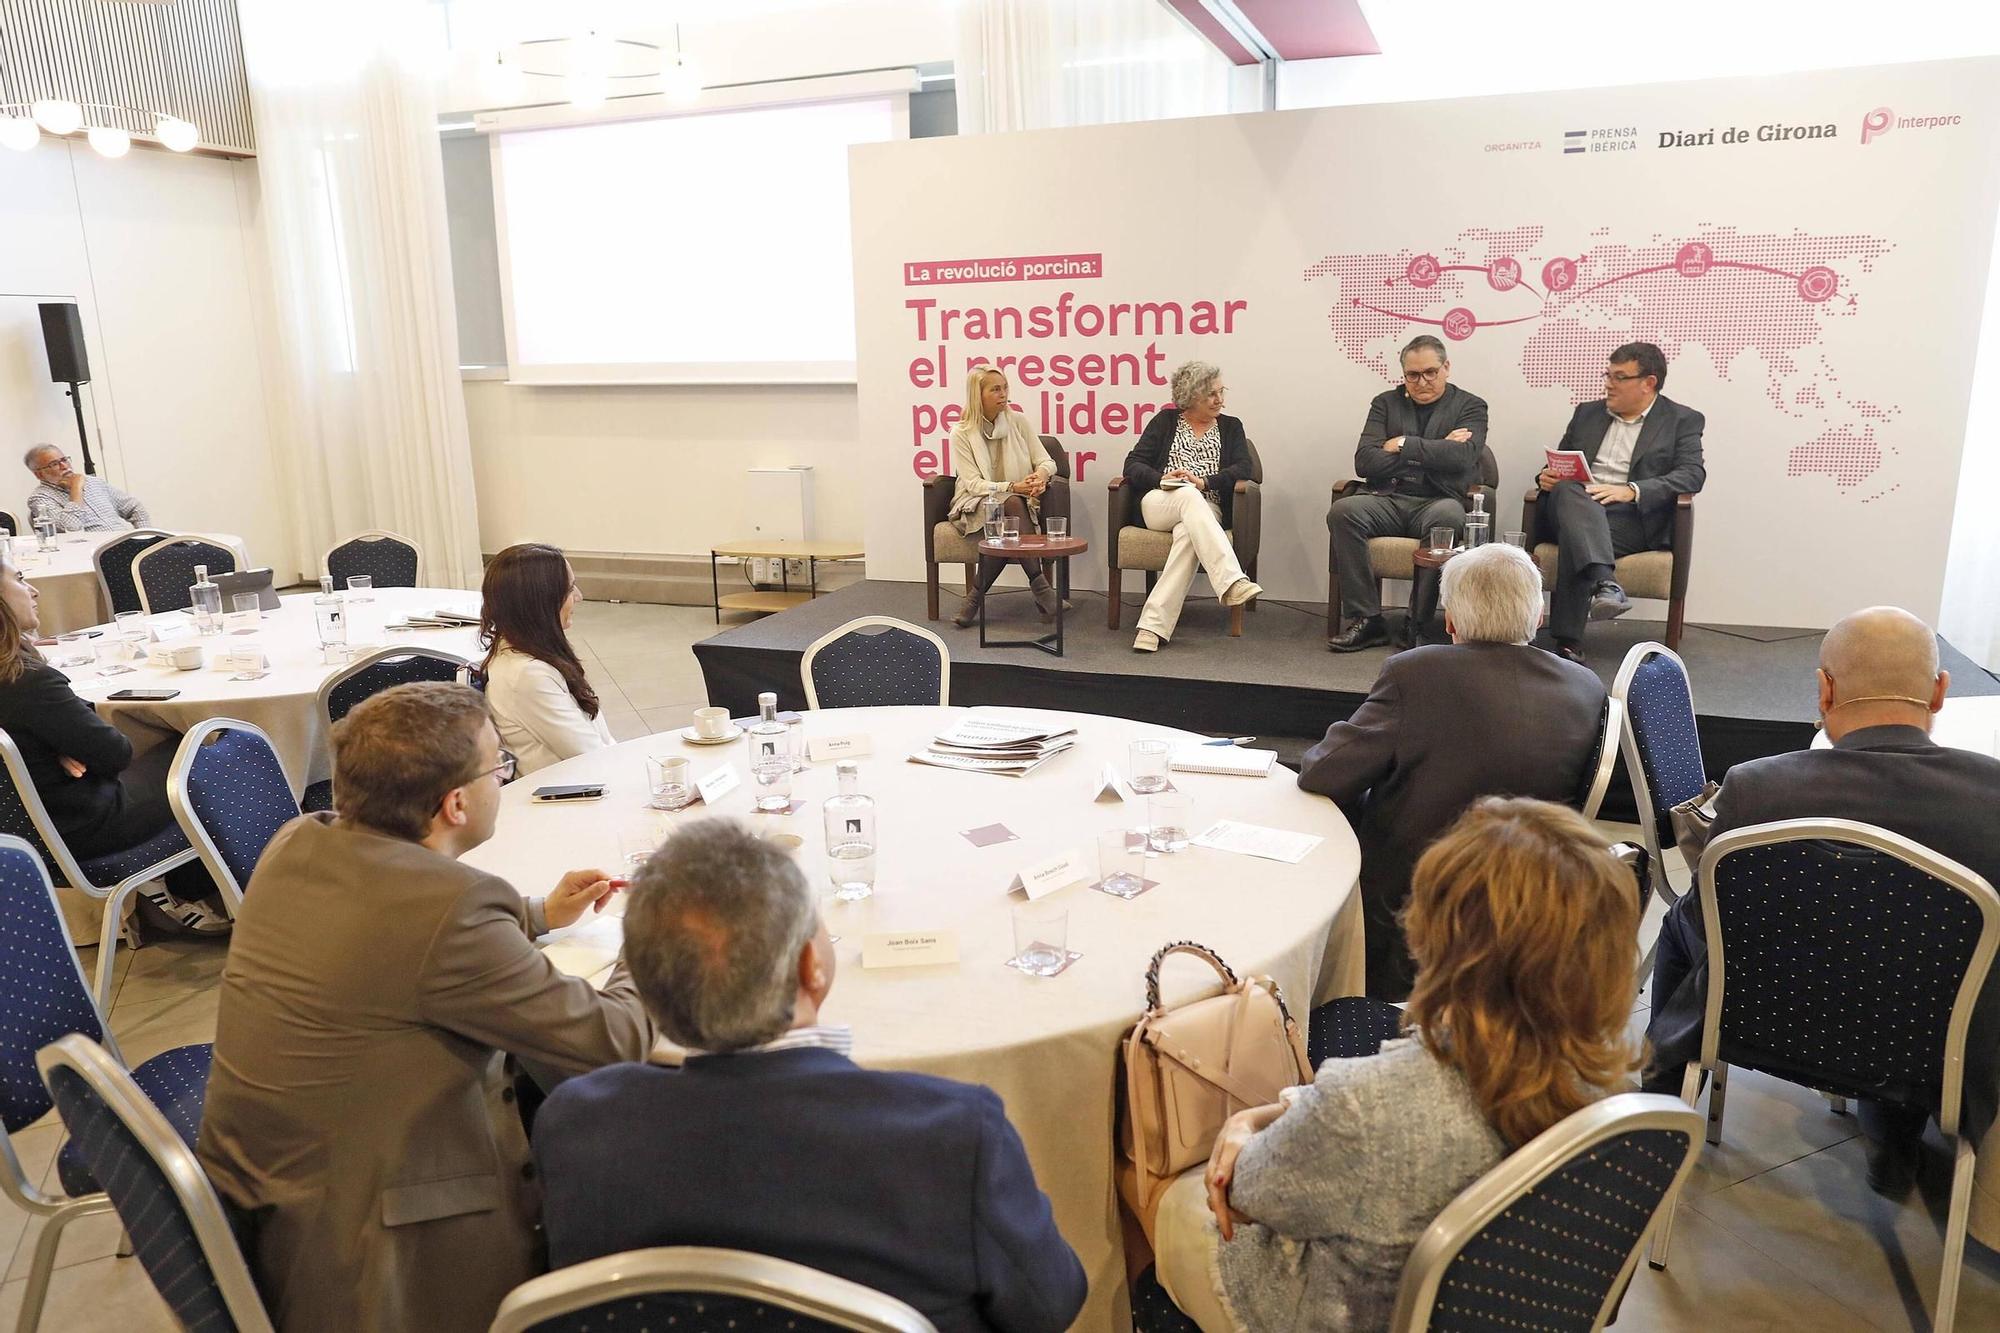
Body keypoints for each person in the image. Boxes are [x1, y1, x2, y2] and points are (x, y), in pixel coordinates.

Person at [197, 681, 655, 1333]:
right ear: (456, 803)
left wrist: (535, 914)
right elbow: (616, 1042)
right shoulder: (452, 910)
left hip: (277, 1198)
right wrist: (653, 931)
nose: (507, 775)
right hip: (384, 1255)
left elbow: (390, 932)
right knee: (635, 1147)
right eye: (501, 764)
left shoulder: (299, 840)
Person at [535, 818, 1087, 1333]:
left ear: (649, 990)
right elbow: (1049, 1305)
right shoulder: (952, 1132)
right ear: (811, 965)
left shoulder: (577, 1122)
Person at [1151, 798, 1642, 1332]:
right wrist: (1292, 1111)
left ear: (1441, 937)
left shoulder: (1372, 1103)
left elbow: (1246, 1197)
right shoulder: (1618, 1092)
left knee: (1160, 1187)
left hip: (1340, 1315)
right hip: (1516, 1314)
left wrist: (1244, 1124)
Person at [1645, 607, 2000, 1222]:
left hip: (1754, 1029)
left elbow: (1711, 933)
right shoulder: (1992, 803)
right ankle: (1895, 1137)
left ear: (1824, 690)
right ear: (1940, 693)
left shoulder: (1758, 789)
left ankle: (1659, 1113)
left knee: (1685, 921)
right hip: (1929, 1061)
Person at [1297, 543, 1606, 998]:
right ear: (1539, 616)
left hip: (1416, 898)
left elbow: (1323, 773)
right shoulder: (1586, 685)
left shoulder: (1417, 672)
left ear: (1450, 621)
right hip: (1534, 892)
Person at [0, 550, 225, 931]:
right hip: (82, 829)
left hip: (21, 835)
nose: (33, 590)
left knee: (175, 752)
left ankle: (174, 889)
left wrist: (56, 742)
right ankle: (193, 892)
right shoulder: (27, 681)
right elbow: (115, 752)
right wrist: (67, 739)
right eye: (20, 579)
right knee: (202, 751)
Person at [1532, 342, 1705, 664]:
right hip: (1573, 504)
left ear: (1648, 383)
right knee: (1571, 494)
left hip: (1630, 518)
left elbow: (1692, 475)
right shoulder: (1587, 414)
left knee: (1579, 534)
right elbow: (1560, 464)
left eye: (1620, 377)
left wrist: (1632, 490)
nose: (1608, 384)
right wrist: (1546, 477)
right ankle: (1605, 583)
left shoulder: (1682, 420)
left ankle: (1569, 642)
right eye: (1608, 375)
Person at [1327, 335, 1490, 652]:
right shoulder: (1385, 403)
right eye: (1413, 375)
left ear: (1446, 368)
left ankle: (1417, 622)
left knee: (1447, 518)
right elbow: (1365, 461)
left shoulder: (1470, 405)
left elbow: (1464, 457)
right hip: (1388, 499)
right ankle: (1367, 620)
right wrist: (1438, 448)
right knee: (1343, 512)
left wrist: (1401, 444)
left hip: (1439, 500)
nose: (1422, 381)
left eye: (1430, 372)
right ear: (1403, 376)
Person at [1119, 361, 1263, 652]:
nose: (1219, 399)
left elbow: (1244, 467)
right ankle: (1231, 580)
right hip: (1161, 502)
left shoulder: (1231, 427)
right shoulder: (1164, 422)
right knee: (1186, 494)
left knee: (1188, 531)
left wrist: (1205, 483)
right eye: (1211, 394)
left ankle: (1151, 627)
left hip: (1207, 506)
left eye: (1222, 391)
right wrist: (1162, 478)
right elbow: (1132, 465)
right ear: (1190, 396)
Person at [477, 542, 613, 776]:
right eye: (570, 589)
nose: (579, 596)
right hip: (573, 795)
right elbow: (591, 754)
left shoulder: (525, 652)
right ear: (542, 603)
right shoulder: (527, 676)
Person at [944, 365, 1062, 628]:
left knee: (1008, 513)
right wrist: (1013, 486)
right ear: (978, 395)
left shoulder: (1017, 421)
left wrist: (1039, 477)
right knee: (1009, 503)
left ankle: (974, 600)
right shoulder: (961, 432)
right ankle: (1042, 590)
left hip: (1013, 502)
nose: (1003, 394)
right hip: (974, 501)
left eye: (1005, 387)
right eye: (995, 389)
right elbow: (973, 484)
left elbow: (1047, 461)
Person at [22, 444, 151, 532]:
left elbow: (134, 507)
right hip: (93, 556)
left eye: (64, 460)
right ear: (39, 474)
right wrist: (76, 489)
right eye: (54, 464)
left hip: (125, 543)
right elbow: (71, 528)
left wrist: (146, 537)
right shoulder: (39, 499)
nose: (64, 466)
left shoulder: (93, 482)